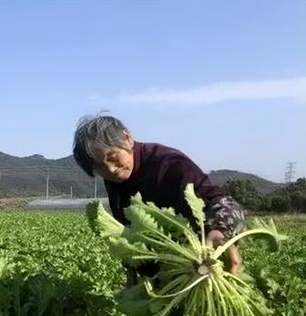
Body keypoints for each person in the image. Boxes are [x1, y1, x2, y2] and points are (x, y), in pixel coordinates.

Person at [73, 114, 245, 276]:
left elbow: (222, 202)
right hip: (167, 273)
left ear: (127, 139)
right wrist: (132, 273)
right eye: (99, 167)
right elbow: (130, 234)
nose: (111, 169)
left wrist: (221, 230)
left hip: (205, 263)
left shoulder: (170, 164)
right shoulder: (115, 179)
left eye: (112, 157)